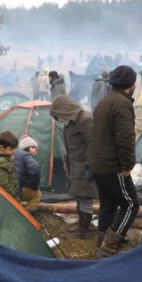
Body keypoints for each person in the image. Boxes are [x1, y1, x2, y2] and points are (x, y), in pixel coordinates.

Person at [90, 65, 140, 257]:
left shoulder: (104, 101)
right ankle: (108, 248)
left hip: (98, 164)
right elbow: (125, 138)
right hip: (112, 166)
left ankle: (100, 243)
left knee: (108, 205)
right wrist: (127, 165)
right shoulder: (122, 104)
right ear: (130, 84)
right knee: (131, 205)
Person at [50, 96, 98, 238]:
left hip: (84, 167)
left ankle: (83, 231)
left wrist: (89, 166)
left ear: (65, 110)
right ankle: (82, 226)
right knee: (80, 197)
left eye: (57, 115)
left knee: (85, 199)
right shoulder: (71, 122)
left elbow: (92, 144)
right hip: (76, 166)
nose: (58, 119)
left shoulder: (85, 120)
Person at [14, 136, 41, 212]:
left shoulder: (14, 153)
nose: (36, 150)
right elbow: (36, 171)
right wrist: (33, 186)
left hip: (10, 189)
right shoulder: (27, 156)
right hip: (19, 190)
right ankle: (28, 214)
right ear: (27, 147)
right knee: (37, 193)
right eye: (33, 147)